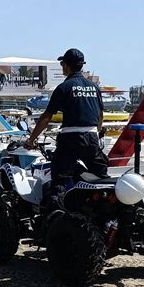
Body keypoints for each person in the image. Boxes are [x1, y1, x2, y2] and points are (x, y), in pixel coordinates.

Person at [25, 48, 108, 212]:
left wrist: (31, 140)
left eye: (62, 63)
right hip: (91, 138)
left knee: (60, 181)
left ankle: (56, 220)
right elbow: (100, 116)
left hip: (70, 139)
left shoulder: (64, 87)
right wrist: (96, 136)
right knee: (101, 176)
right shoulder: (94, 87)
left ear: (67, 66)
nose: (62, 66)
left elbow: (46, 117)